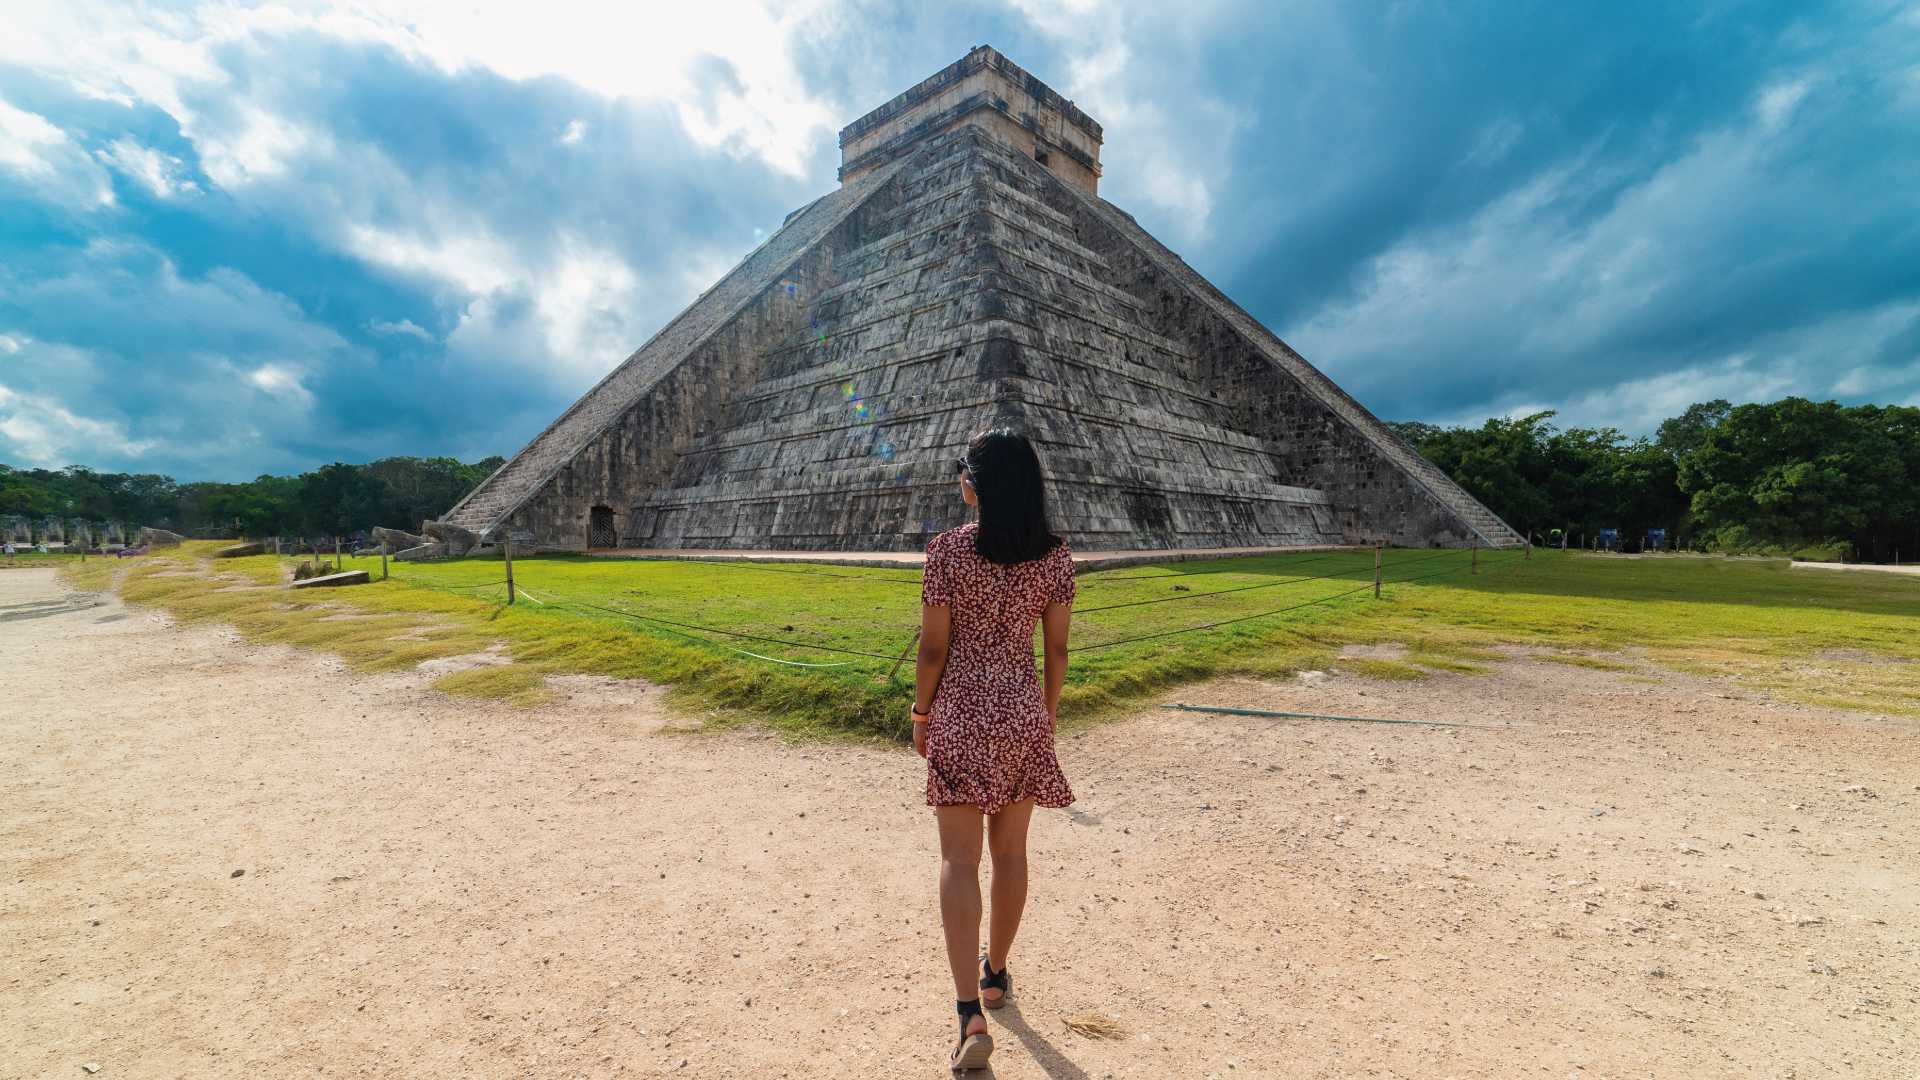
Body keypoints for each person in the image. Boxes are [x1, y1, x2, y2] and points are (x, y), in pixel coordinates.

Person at [911, 427, 1076, 1071]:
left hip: (959, 709)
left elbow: (932, 649)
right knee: (1011, 853)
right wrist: (1046, 714)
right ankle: (997, 975)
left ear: (974, 485)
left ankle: (968, 1016)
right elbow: (1056, 650)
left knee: (959, 859)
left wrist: (921, 712)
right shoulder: (1056, 558)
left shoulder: (948, 551)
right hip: (1022, 708)